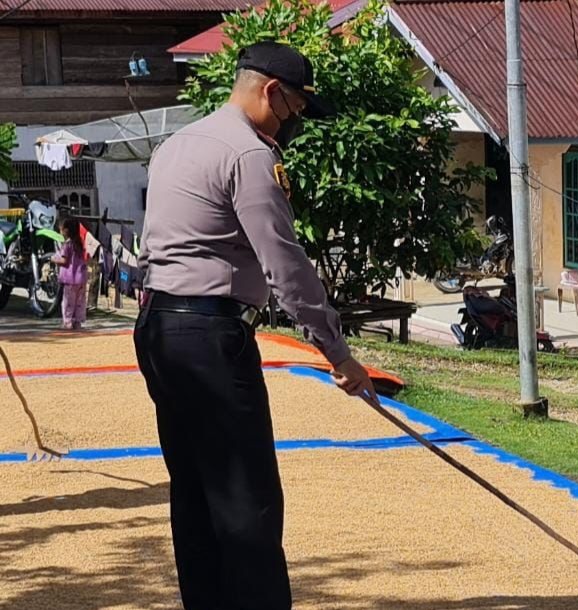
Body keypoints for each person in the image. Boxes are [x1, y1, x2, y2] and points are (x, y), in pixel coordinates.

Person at [134, 41, 377, 610]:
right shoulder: (247, 154)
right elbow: (285, 265)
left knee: (195, 491)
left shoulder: (178, 143)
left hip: (159, 329)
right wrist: (337, 353)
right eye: (294, 108)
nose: (293, 122)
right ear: (271, 91)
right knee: (247, 499)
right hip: (209, 338)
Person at [52, 217, 88, 330]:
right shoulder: (81, 244)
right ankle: (78, 322)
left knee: (68, 302)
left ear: (66, 231)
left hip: (70, 279)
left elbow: (64, 261)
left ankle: (67, 322)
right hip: (81, 279)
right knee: (80, 302)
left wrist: (53, 259)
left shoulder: (67, 245)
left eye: (61, 229)